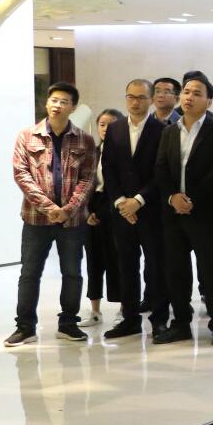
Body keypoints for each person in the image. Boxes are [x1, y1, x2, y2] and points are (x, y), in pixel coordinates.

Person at [5, 83, 97, 347]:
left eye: (64, 101)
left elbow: (88, 179)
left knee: (72, 272)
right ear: (46, 103)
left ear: (73, 107)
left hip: (72, 221)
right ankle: (25, 327)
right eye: (54, 100)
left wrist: (67, 210)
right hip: (36, 219)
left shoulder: (84, 140)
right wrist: (49, 208)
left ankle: (68, 323)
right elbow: (21, 175)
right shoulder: (27, 136)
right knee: (29, 273)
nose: (57, 105)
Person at [153, 72, 213, 346]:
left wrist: (191, 199)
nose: (189, 97)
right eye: (186, 92)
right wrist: (173, 197)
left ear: (209, 101)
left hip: (206, 213)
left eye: (197, 93)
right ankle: (181, 324)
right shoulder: (169, 131)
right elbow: (161, 168)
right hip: (173, 214)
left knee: (211, 271)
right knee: (176, 272)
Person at [99, 80, 169, 340]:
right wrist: (120, 202)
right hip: (122, 213)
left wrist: (138, 200)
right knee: (126, 266)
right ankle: (129, 319)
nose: (135, 102)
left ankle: (159, 320)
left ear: (151, 100)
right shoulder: (115, 128)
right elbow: (108, 168)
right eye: (131, 96)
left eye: (141, 97)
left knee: (156, 267)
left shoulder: (162, 130)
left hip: (150, 210)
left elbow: (161, 171)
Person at [81, 108, 124, 328]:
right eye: (102, 124)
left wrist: (103, 211)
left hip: (116, 207)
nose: (106, 128)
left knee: (118, 260)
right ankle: (95, 311)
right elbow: (84, 184)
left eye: (111, 124)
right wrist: (87, 212)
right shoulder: (92, 152)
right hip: (92, 207)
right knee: (93, 261)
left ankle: (124, 309)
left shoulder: (124, 153)